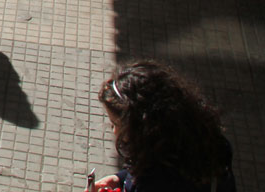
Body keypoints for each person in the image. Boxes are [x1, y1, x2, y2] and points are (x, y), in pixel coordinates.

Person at [93, 61, 237, 192]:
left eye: (116, 124)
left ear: (141, 127)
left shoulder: (153, 181)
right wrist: (120, 178)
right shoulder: (207, 141)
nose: (114, 131)